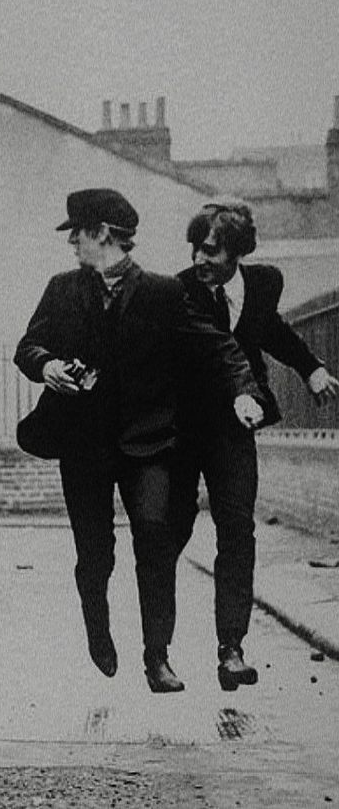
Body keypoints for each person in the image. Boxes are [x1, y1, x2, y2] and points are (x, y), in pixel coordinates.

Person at [14, 187, 265, 693]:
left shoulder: (162, 292)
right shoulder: (62, 289)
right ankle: (98, 623)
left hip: (147, 444)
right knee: (95, 552)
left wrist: (245, 392)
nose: (73, 245)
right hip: (83, 445)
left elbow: (220, 346)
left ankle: (158, 657)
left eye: (78, 234)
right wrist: (48, 365)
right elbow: (27, 347)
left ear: (103, 235)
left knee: (154, 539)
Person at [173, 197, 339, 691]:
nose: (199, 260)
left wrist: (311, 368)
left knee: (238, 530)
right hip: (184, 428)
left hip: (234, 429)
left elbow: (273, 332)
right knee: (169, 530)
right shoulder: (179, 291)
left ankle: (231, 648)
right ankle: (157, 647)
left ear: (238, 253)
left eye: (210, 251)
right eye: (195, 249)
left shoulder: (263, 284)